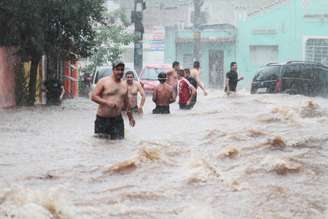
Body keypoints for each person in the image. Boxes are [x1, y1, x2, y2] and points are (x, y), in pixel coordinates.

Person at [91, 60, 135, 140]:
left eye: (122, 70)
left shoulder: (125, 84)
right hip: (102, 119)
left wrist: (130, 118)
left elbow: (126, 103)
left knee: (119, 144)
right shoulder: (103, 81)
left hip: (117, 120)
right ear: (113, 70)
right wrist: (107, 103)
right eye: (117, 69)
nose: (120, 72)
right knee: (100, 145)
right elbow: (93, 96)